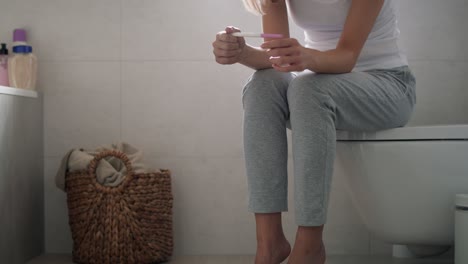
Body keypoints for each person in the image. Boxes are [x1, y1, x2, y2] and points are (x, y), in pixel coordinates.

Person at [212, 0, 416, 263]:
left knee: (308, 88)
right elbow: (275, 57)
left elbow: (346, 56)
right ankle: (269, 243)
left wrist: (308, 57)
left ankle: (310, 247)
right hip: (322, 78)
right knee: (262, 85)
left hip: (388, 85)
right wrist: (241, 53)